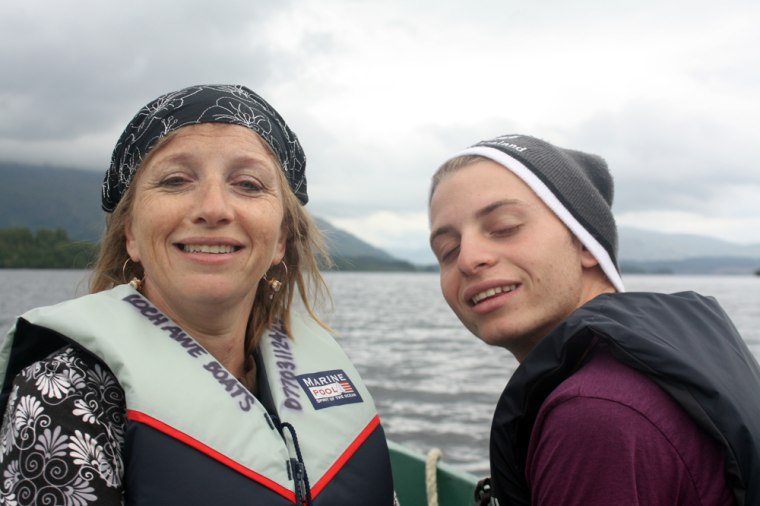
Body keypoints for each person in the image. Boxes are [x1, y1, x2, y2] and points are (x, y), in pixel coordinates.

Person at [0, 84, 395, 505]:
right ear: (131, 234)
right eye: (175, 180)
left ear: (281, 239)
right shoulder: (65, 389)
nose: (214, 207)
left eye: (247, 183)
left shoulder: (319, 366)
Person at [428, 134, 760, 506]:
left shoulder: (595, 413)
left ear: (586, 243)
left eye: (504, 227)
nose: (468, 259)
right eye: (447, 250)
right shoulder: (665, 355)